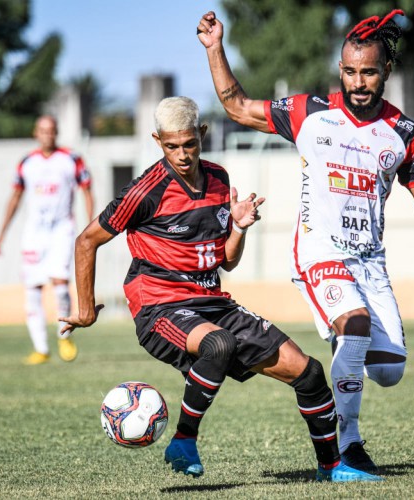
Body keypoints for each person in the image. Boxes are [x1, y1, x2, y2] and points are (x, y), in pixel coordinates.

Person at [59, 96, 380, 482]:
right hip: (159, 307)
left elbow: (226, 260)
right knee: (219, 345)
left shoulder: (218, 179)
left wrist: (239, 226)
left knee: (309, 372)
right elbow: (85, 241)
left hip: (212, 302)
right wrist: (86, 309)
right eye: (172, 146)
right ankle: (184, 440)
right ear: (158, 141)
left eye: (189, 144)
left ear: (202, 134)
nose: (182, 155)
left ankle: (332, 466)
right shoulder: (144, 192)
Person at [197, 9, 414, 474]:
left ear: (386, 72)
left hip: (370, 264)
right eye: (350, 71)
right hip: (318, 252)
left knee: (388, 371)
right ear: (340, 70)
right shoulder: (310, 113)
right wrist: (216, 47)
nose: (359, 82)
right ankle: (347, 447)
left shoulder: (402, 134)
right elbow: (237, 106)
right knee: (355, 326)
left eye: (369, 72)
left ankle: (343, 361)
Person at [0, 115, 94, 365]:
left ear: (57, 132)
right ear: (35, 133)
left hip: (62, 229)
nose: (47, 135)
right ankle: (41, 348)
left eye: (51, 130)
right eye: (42, 130)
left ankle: (65, 337)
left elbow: (87, 191)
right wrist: (2, 233)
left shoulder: (71, 159)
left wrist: (91, 226)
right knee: (33, 290)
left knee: (60, 284)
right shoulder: (27, 163)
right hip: (34, 233)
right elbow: (15, 197)